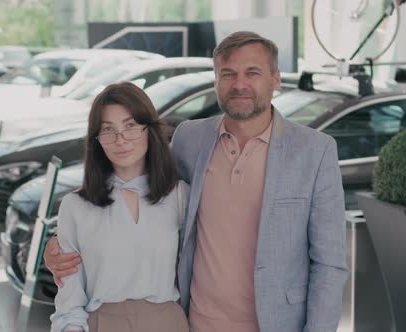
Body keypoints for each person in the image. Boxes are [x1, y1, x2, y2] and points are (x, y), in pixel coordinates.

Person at [46, 31, 348, 332]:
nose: (239, 84)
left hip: (278, 324)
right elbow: (142, 192)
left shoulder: (315, 150)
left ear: (276, 79)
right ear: (216, 81)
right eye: (227, 74)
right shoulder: (190, 138)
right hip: (196, 322)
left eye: (252, 73)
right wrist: (59, 245)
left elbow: (329, 263)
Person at [49, 82, 189, 332]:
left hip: (168, 323)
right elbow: (69, 301)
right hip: (102, 323)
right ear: (97, 140)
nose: (120, 139)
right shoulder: (75, 206)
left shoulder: (179, 196)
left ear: (149, 129)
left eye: (131, 126)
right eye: (108, 130)